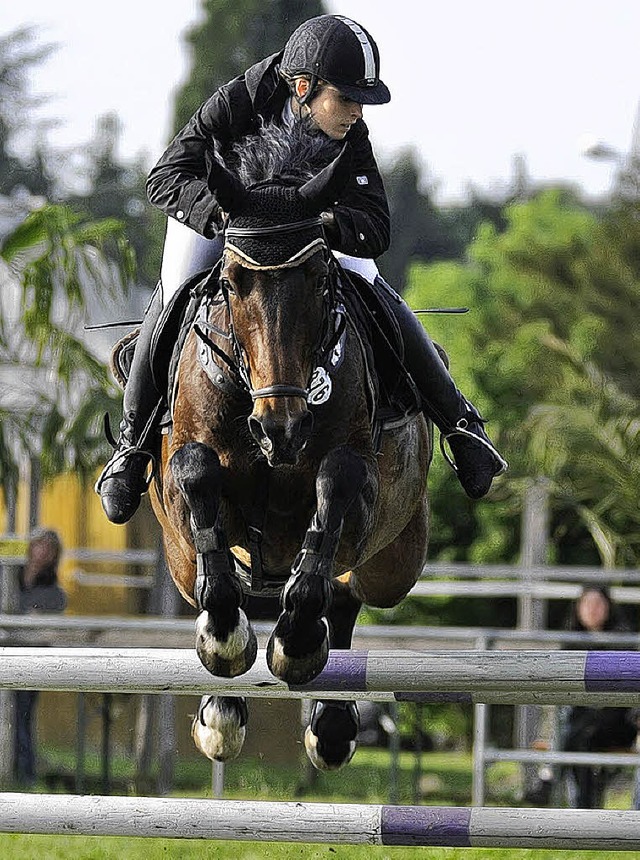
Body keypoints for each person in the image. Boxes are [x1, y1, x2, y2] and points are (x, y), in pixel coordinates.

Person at [96, 14, 507, 525]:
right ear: (305, 87)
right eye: (348, 98)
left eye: (362, 101)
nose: (357, 112)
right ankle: (132, 445)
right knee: (176, 288)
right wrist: (224, 215)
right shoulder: (239, 100)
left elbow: (376, 225)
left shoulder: (349, 133)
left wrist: (321, 224)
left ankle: (461, 426)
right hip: (226, 219)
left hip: (306, 231)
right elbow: (165, 177)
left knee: (374, 287)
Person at [526, 585, 638, 807]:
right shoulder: (571, 644)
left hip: (617, 721)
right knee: (579, 734)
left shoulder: (624, 641)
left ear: (608, 608)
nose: (592, 610)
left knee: (578, 734)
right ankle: (581, 804)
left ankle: (550, 782)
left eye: (598, 604)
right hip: (580, 722)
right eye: (587, 604)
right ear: (578, 608)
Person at [14, 528, 67, 786]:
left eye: (49, 549)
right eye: (39, 546)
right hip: (10, 654)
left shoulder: (54, 593)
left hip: (28, 662)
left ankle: (24, 775)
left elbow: (50, 618)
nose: (42, 552)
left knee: (22, 718)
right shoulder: (8, 577)